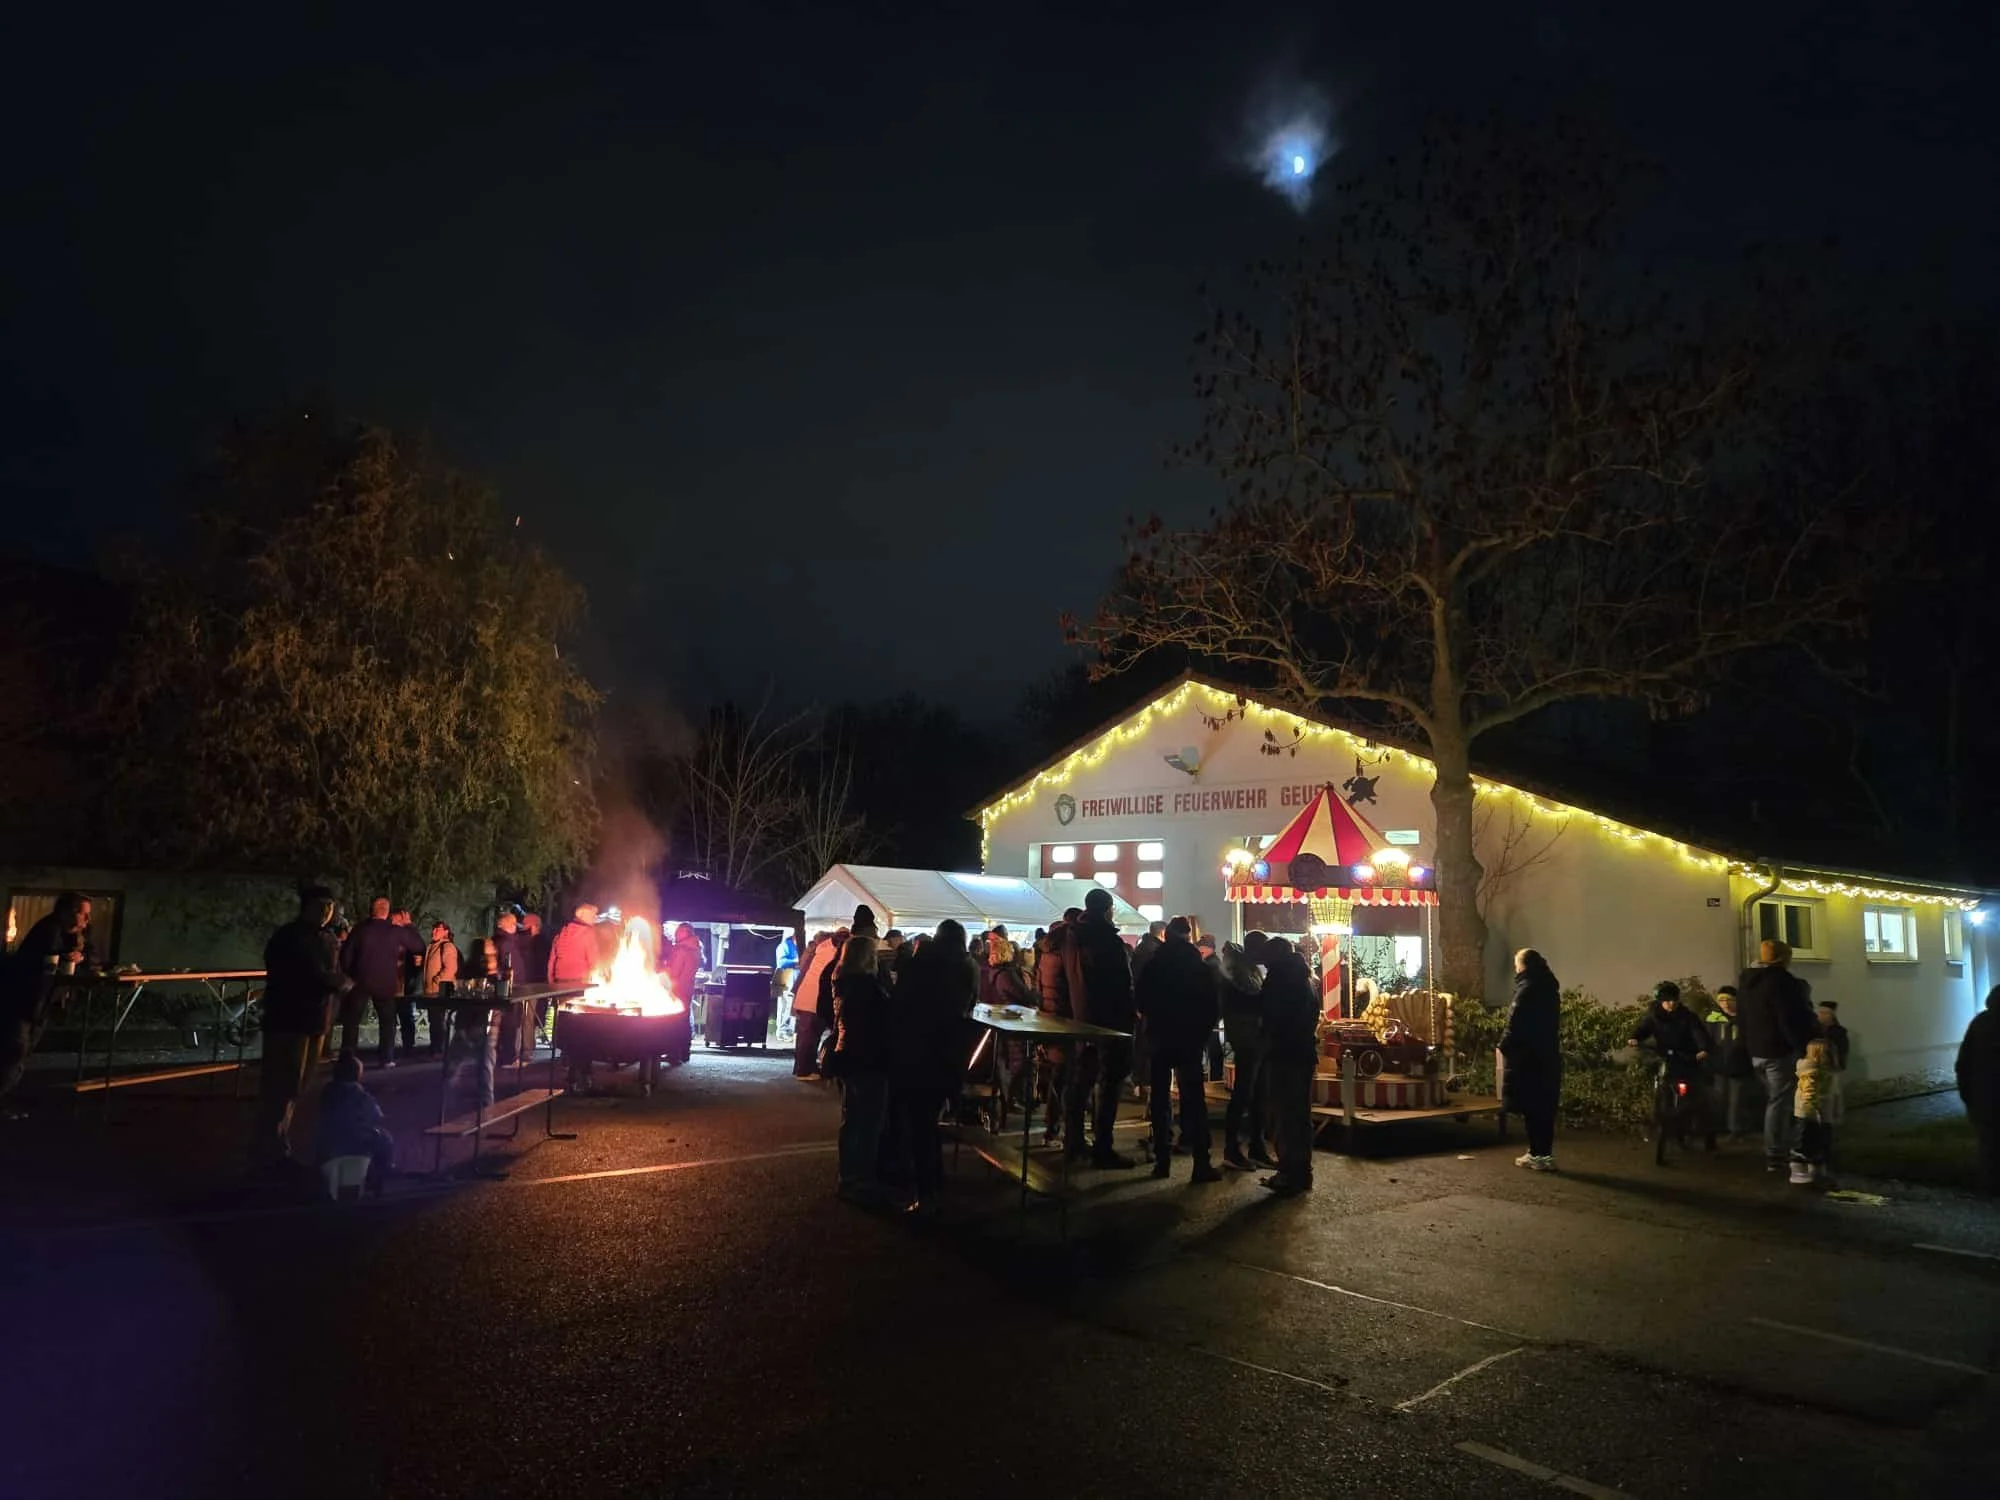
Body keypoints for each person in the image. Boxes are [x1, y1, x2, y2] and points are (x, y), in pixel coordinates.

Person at [257, 887, 355, 1170]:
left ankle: (278, 1149)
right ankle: (268, 1153)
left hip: (315, 1020)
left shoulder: (325, 937)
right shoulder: (291, 937)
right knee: (282, 1086)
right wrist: (338, 982)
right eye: (321, 905)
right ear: (307, 907)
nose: (327, 912)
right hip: (289, 1020)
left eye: (330, 906)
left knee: (297, 1087)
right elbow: (308, 974)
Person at [889, 919, 978, 1212]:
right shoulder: (967, 967)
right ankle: (933, 1183)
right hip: (950, 1053)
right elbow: (969, 1006)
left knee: (917, 1122)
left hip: (916, 1050)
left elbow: (901, 1003)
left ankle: (924, 1188)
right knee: (930, 1119)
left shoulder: (919, 964)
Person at [1134, 916, 1222, 1182]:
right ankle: (1201, 1162)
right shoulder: (1198, 967)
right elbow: (1212, 1005)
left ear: (1167, 936)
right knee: (1194, 1100)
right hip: (1189, 1039)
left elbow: (1140, 1000)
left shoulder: (1154, 965)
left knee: (1160, 1099)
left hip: (1160, 1038)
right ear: (1188, 937)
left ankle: (1162, 1161)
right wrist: (1201, 1034)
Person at [1, 891, 94, 1118]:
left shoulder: (73, 935)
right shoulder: (49, 931)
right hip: (24, 1001)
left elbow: (90, 956)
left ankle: (4, 1099)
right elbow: (40, 966)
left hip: (40, 1004)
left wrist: (80, 957)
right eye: (83, 914)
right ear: (67, 912)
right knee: (14, 1052)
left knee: (19, 1053)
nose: (87, 920)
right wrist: (64, 959)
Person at [1063, 888, 1137, 1169]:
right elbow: (1121, 986)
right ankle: (1102, 1147)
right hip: (1109, 1023)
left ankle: (1074, 1141)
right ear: (1107, 910)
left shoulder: (1072, 938)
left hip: (1081, 1018)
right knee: (1109, 1085)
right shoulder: (1106, 941)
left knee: (1081, 1082)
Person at [1736, 939, 1819, 1173]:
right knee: (1779, 1103)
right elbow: (1788, 1019)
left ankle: (1780, 1147)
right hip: (1777, 1051)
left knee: (1774, 1100)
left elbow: (1742, 1018)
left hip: (1755, 1052)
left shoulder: (1747, 981)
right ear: (1784, 958)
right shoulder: (1782, 982)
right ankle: (1776, 1154)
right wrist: (1801, 1046)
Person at [831, 932, 893, 1204]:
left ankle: (846, 1176)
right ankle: (863, 1179)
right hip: (869, 1058)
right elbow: (882, 1023)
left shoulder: (842, 982)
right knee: (869, 1122)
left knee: (852, 1119)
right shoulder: (868, 988)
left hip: (847, 1056)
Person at [1259, 937, 1320, 1195]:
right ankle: (1302, 1171)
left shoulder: (1279, 981)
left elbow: (1271, 1017)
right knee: (1300, 1115)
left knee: (1284, 1115)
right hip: (1304, 1053)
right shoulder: (1306, 979)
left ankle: (1288, 1172)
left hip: (1284, 1054)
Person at [1630, 980, 1715, 1151]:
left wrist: (1703, 1049)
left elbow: (1698, 1033)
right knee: (1660, 1090)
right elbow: (1642, 1029)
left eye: (1674, 1000)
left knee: (1698, 1097)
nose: (1671, 1004)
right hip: (1666, 1057)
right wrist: (1634, 1038)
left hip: (1687, 1058)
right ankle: (1656, 1125)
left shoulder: (1687, 1017)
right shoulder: (1654, 1016)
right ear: (1661, 1001)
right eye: (1667, 1000)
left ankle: (1708, 1137)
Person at [340, 897, 424, 1068]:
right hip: (385, 982)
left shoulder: (360, 929)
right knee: (387, 1022)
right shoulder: (394, 931)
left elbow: (346, 955)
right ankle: (386, 1058)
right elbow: (419, 946)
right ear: (386, 912)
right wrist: (409, 925)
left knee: (352, 1022)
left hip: (360, 980)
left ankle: (348, 1057)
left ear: (372, 910)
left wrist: (350, 974)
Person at [1500, 948, 1562, 1172]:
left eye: (1516, 964)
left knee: (1532, 1107)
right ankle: (1544, 1154)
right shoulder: (1550, 989)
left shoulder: (1526, 989)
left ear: (1523, 965)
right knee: (1545, 1108)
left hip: (1528, 1058)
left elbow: (1514, 1023)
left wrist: (1503, 1045)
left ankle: (1536, 1154)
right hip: (1548, 1056)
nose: (1515, 968)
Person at [1219, 931, 1272, 1170]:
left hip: (1254, 1038)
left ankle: (1256, 1147)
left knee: (1258, 1093)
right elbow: (1251, 1001)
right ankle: (1232, 1148)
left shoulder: (1249, 969)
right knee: (1243, 1093)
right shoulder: (1239, 972)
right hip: (1246, 1038)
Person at [315, 1051, 395, 1194]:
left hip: (329, 1140)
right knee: (385, 1139)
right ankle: (381, 1175)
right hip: (355, 1140)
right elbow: (375, 1115)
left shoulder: (327, 1092)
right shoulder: (360, 1095)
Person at [1955, 986, 2000, 1193]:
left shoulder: (1980, 1023)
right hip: (1986, 1097)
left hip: (1983, 1099)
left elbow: (1963, 1064)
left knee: (1989, 1145)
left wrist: (1968, 1097)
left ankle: (1989, 1186)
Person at [1704, 985, 1754, 1138]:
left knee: (1737, 1101)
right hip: (1719, 1066)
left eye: (1729, 999)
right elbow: (1706, 1040)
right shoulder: (1713, 1019)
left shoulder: (1745, 1019)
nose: (1725, 1003)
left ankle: (1736, 1131)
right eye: (1721, 1000)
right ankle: (1718, 1129)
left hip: (1740, 1066)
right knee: (1720, 1098)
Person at [1789, 1038, 1840, 1186]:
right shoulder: (1812, 1072)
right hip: (1810, 1114)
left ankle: (1817, 1172)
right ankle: (1800, 1173)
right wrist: (1815, 1112)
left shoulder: (1821, 1071)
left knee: (1819, 1143)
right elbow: (1809, 1094)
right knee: (1805, 1143)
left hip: (1819, 1113)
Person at [792, 929, 840, 1080]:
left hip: (807, 997)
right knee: (809, 1036)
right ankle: (804, 1070)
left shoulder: (817, 951)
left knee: (807, 1036)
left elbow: (802, 970)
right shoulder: (830, 951)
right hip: (815, 999)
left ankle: (803, 1068)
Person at [421, 920, 460, 1060]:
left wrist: (437, 980)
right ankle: (435, 1047)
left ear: (446, 932)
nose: (434, 932)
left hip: (439, 991)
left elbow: (450, 968)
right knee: (434, 1020)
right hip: (431, 990)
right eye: (433, 929)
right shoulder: (432, 946)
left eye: (437, 929)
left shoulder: (447, 947)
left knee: (438, 1020)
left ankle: (439, 1049)